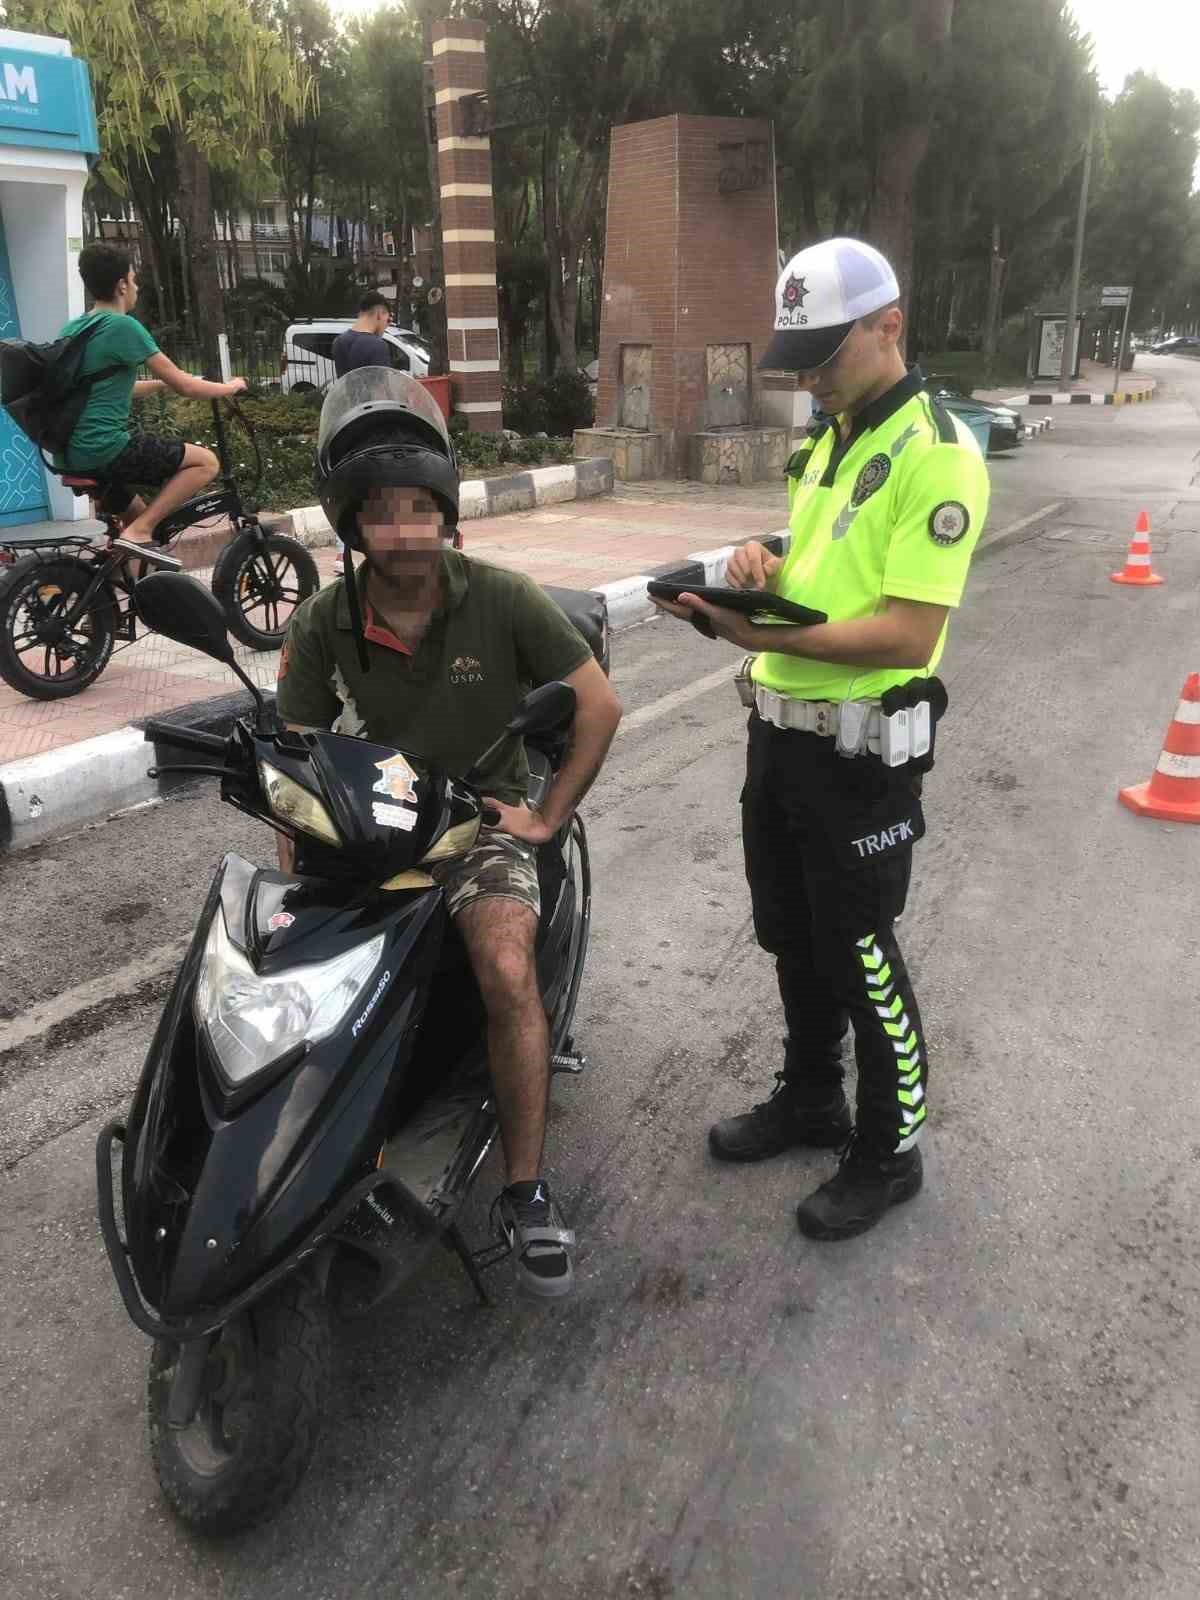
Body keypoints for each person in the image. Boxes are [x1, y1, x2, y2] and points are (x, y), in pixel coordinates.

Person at [652, 237, 990, 1241]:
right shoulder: (837, 435)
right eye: (799, 355)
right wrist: (766, 565)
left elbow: (906, 630)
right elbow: (832, 565)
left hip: (858, 753)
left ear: (891, 324)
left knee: (861, 953)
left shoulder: (939, 452)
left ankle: (890, 1151)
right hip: (781, 737)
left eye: (826, 353)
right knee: (791, 936)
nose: (809, 375)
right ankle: (811, 1099)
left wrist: (754, 630)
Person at [274, 369, 622, 1298]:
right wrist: (299, 872)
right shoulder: (321, 623)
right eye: (380, 513)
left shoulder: (502, 599)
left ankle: (523, 1188)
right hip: (376, 831)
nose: (404, 532)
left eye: (419, 508)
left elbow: (598, 704)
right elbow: (298, 761)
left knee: (505, 970)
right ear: (350, 525)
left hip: (480, 828)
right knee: (300, 979)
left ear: (445, 513)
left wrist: (547, 816)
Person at [58, 243, 246, 545]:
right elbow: (185, 384)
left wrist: (160, 385)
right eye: (133, 280)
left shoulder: (75, 328)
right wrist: (230, 387)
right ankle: (139, 531)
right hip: (105, 449)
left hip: (71, 453)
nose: (136, 286)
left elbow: (103, 390)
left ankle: (114, 575)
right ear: (121, 286)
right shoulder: (122, 326)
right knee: (206, 463)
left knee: (145, 529)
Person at [332, 291, 393, 376]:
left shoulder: (339, 341)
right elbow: (381, 386)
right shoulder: (378, 345)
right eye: (387, 320)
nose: (386, 325)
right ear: (379, 314)